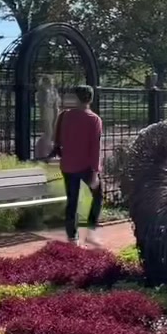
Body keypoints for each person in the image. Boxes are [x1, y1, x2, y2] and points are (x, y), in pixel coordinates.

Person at [51, 85, 103, 246]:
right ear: (90, 98)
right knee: (98, 197)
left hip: (68, 165)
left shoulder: (64, 116)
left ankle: (72, 238)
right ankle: (91, 232)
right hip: (86, 167)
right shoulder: (94, 119)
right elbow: (95, 147)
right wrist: (95, 172)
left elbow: (57, 140)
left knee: (72, 201)